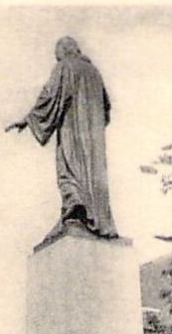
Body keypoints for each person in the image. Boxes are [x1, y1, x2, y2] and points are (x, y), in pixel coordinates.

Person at [7, 36, 118, 240]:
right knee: (94, 178)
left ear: (64, 51)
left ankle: (75, 209)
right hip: (94, 141)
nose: (56, 59)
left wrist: (27, 120)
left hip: (72, 134)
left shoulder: (64, 68)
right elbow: (107, 110)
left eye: (56, 55)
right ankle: (96, 218)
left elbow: (49, 96)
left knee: (68, 169)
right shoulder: (95, 73)